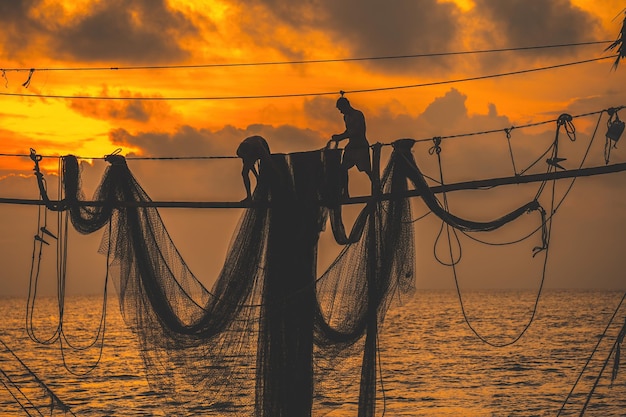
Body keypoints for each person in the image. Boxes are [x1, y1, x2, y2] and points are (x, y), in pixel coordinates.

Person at [330, 97, 372, 197]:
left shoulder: (358, 115)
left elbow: (355, 132)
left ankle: (377, 188)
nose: (341, 112)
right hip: (351, 146)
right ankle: (345, 192)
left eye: (341, 109)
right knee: (342, 168)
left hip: (361, 146)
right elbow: (348, 131)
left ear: (346, 106)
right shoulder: (346, 117)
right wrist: (339, 136)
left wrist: (340, 137)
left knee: (367, 170)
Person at [236, 135, 272, 201]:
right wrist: (256, 176)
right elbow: (249, 164)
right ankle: (249, 196)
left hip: (262, 145)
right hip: (251, 150)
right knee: (244, 173)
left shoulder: (259, 148)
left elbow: (268, 161)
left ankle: (265, 195)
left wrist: (258, 177)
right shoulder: (239, 152)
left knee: (265, 171)